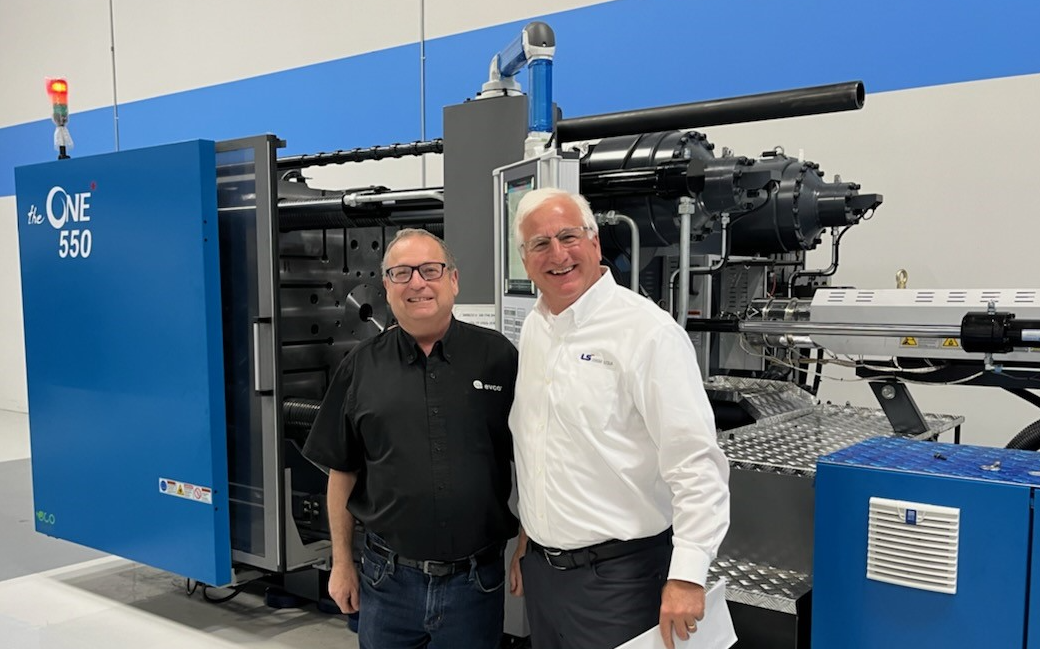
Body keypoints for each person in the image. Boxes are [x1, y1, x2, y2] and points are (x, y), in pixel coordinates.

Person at [507, 188, 730, 649]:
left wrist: (687, 577)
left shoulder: (647, 334)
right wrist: (534, 531)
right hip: (545, 576)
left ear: (595, 243)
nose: (558, 254)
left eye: (569, 236)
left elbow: (696, 464)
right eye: (540, 244)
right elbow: (543, 441)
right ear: (525, 260)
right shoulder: (534, 327)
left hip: (621, 581)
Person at [303, 228, 519, 649]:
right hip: (388, 582)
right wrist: (342, 563)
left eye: (430, 270)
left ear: (453, 281)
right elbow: (341, 471)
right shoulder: (360, 367)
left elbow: (534, 462)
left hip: (475, 584)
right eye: (401, 273)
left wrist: (529, 543)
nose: (417, 283)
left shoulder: (499, 359)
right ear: (386, 287)